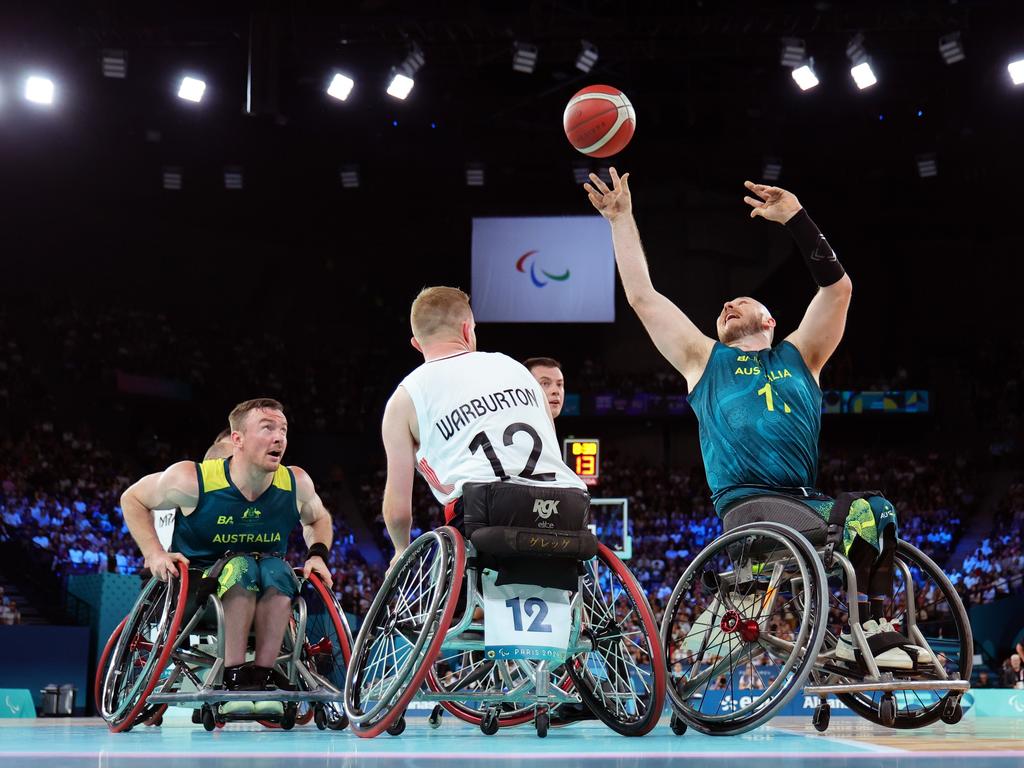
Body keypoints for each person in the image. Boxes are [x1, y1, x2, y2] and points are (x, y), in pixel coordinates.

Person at [584, 168, 929, 670]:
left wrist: (797, 219)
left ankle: (871, 628)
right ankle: (864, 633)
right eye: (724, 304)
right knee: (861, 513)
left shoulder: (802, 354)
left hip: (802, 503)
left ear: (769, 320)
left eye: (740, 301)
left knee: (879, 511)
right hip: (748, 507)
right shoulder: (703, 360)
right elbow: (643, 297)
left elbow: (839, 290)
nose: (727, 304)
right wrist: (621, 219)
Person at [120, 398, 333, 716]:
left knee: (278, 570)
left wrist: (317, 555)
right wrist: (154, 553)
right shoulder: (193, 480)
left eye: (283, 430)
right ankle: (235, 677)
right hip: (197, 589)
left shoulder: (296, 482)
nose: (279, 437)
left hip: (267, 582)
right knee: (241, 566)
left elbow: (318, 518)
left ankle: (262, 675)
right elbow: (132, 497)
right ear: (238, 440)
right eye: (268, 428)